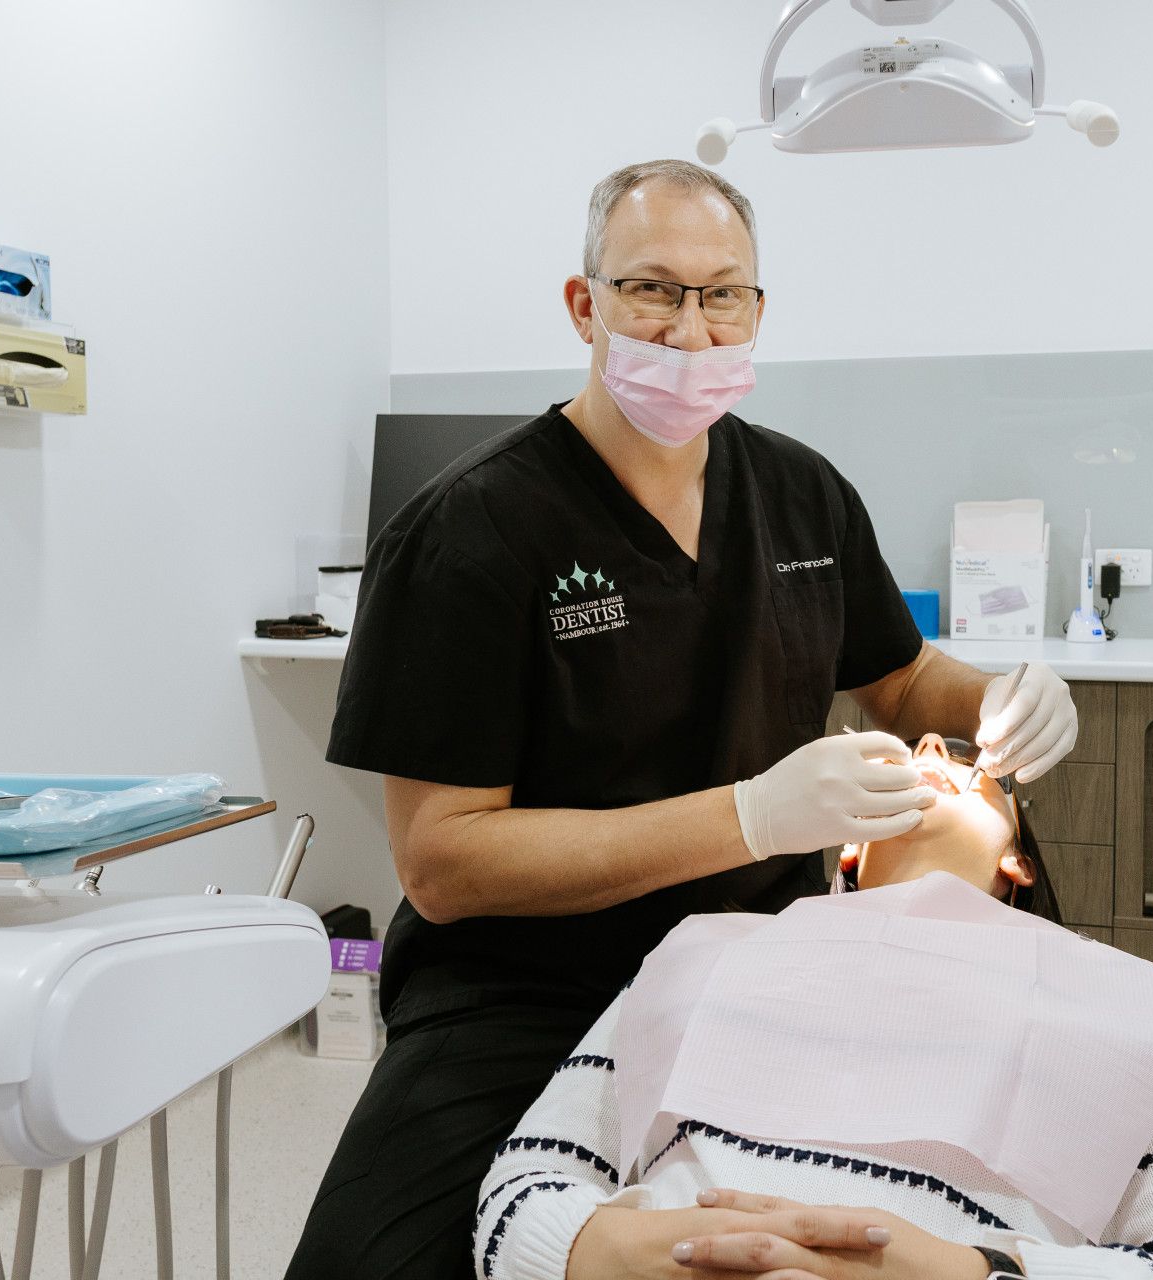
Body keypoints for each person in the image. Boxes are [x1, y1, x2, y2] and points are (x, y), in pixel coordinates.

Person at [287, 159, 1082, 1277]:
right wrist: (750, 816)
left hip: (760, 971)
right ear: (586, 305)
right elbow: (445, 862)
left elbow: (901, 682)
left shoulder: (803, 495)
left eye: (724, 295)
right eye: (653, 289)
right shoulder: (471, 528)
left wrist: (1000, 692)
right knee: (382, 1257)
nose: (692, 328)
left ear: (759, 309)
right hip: (524, 992)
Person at [470, 735, 1153, 1280]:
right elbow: (521, 1191)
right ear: (847, 847)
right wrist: (611, 1250)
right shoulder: (709, 952)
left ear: (1019, 862)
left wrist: (968, 1271)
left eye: (965, 760)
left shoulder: (1104, 994)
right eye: (908, 748)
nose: (929, 748)